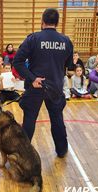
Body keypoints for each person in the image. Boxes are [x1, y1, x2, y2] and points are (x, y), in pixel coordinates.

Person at [13, 8, 73, 158]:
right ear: (57, 22)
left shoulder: (33, 39)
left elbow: (17, 62)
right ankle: (61, 150)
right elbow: (69, 65)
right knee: (57, 118)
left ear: (42, 21)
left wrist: (32, 78)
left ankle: (23, 155)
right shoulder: (66, 41)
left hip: (36, 86)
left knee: (29, 120)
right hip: (55, 87)